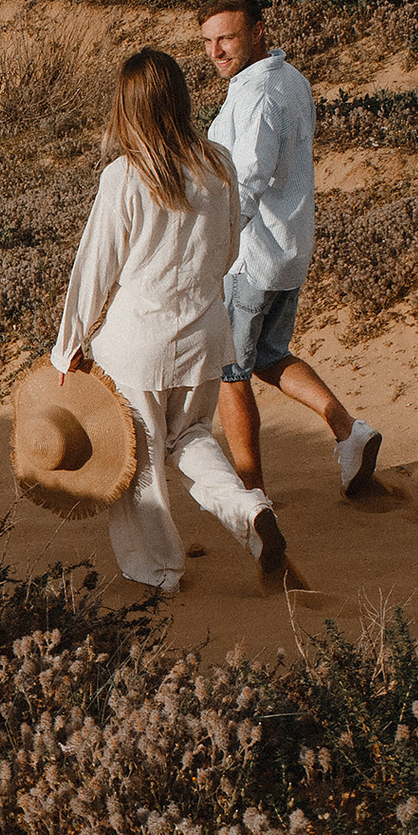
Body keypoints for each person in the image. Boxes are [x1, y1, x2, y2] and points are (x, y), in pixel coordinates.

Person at [50, 47, 285, 591]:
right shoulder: (219, 164)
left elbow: (94, 270)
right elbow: (228, 253)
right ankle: (249, 515)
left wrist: (67, 348)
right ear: (179, 99)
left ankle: (161, 572)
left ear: (127, 107)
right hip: (205, 336)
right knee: (193, 438)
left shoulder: (124, 176)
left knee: (140, 460)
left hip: (137, 344)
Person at [200, 0, 384, 497]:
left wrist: (215, 249)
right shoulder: (290, 79)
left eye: (228, 38)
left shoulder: (257, 95)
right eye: (209, 41)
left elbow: (250, 181)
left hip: (250, 258)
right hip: (288, 248)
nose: (216, 51)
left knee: (230, 373)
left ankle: (251, 494)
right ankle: (350, 432)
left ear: (258, 31)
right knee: (268, 356)